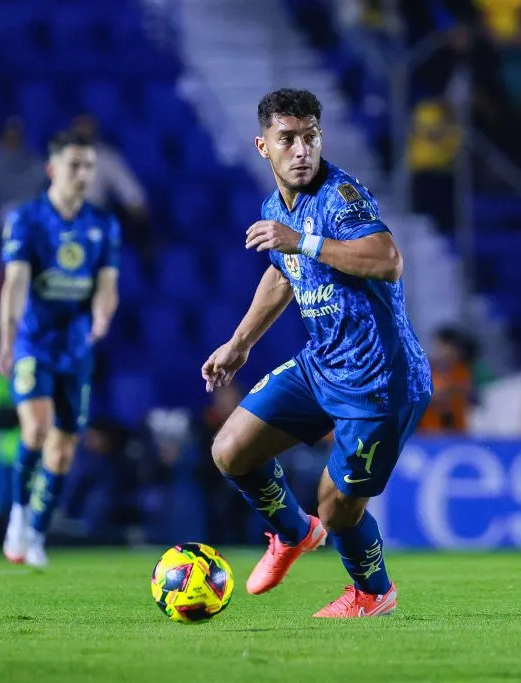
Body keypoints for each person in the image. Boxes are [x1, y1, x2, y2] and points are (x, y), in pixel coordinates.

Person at [202, 89, 433, 618]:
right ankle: (292, 532)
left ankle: (374, 593)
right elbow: (284, 276)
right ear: (264, 146)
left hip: (380, 379)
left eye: (310, 137)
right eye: (289, 139)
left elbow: (388, 259)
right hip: (323, 363)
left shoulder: (341, 196)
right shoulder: (276, 208)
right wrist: (240, 343)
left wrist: (301, 241)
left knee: (338, 506)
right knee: (231, 450)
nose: (302, 149)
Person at [0, 130, 120, 568]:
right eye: (75, 165)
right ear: (53, 168)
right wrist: (7, 340)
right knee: (36, 428)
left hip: (76, 348)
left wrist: (103, 316)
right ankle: (16, 514)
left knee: (65, 448)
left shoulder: (103, 224)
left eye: (89, 166)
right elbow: (14, 283)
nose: (83, 174)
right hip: (34, 341)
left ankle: (36, 532)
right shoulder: (27, 220)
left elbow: (107, 285)